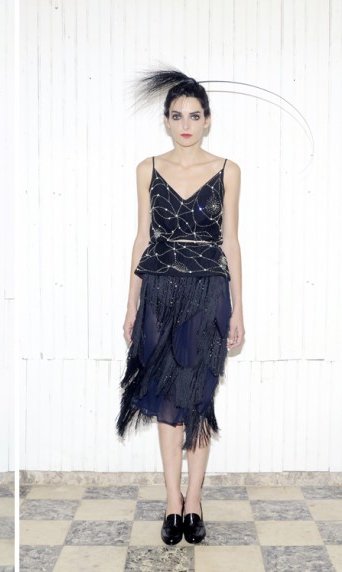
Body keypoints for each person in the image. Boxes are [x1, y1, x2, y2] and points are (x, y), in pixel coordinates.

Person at [117, 70, 244, 545]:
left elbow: (231, 242)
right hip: (159, 292)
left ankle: (195, 501)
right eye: (177, 116)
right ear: (166, 121)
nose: (186, 125)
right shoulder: (147, 169)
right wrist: (131, 303)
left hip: (208, 293)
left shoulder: (228, 170)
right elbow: (141, 238)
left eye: (194, 116)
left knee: (198, 400)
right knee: (168, 402)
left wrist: (238, 308)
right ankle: (173, 502)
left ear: (207, 120)